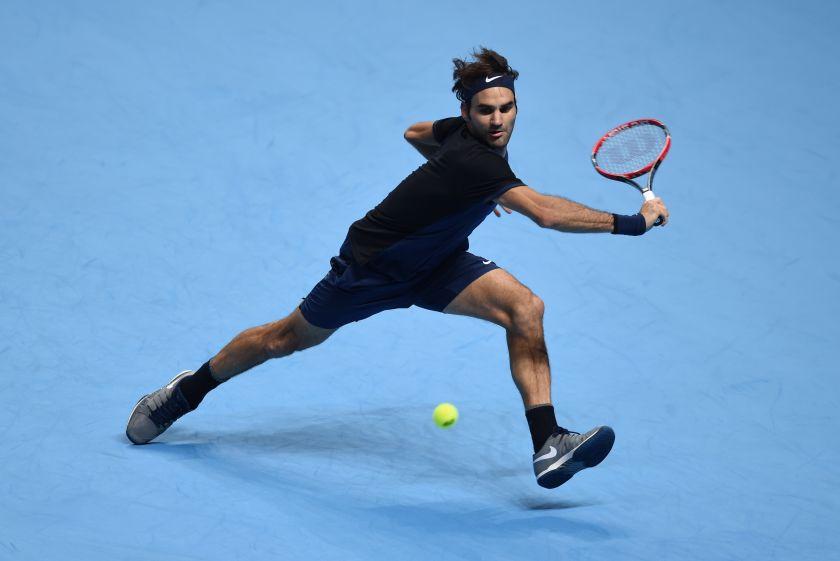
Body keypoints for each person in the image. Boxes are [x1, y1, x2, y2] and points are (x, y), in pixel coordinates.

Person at [126, 47, 669, 489]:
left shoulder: (462, 145)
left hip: (438, 262)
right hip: (372, 268)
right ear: (468, 114)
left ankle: (549, 443)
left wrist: (457, 192)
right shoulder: (475, 161)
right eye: (485, 111)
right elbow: (547, 214)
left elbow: (414, 134)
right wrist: (636, 222)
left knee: (526, 308)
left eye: (506, 108)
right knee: (283, 339)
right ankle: (185, 392)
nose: (498, 119)